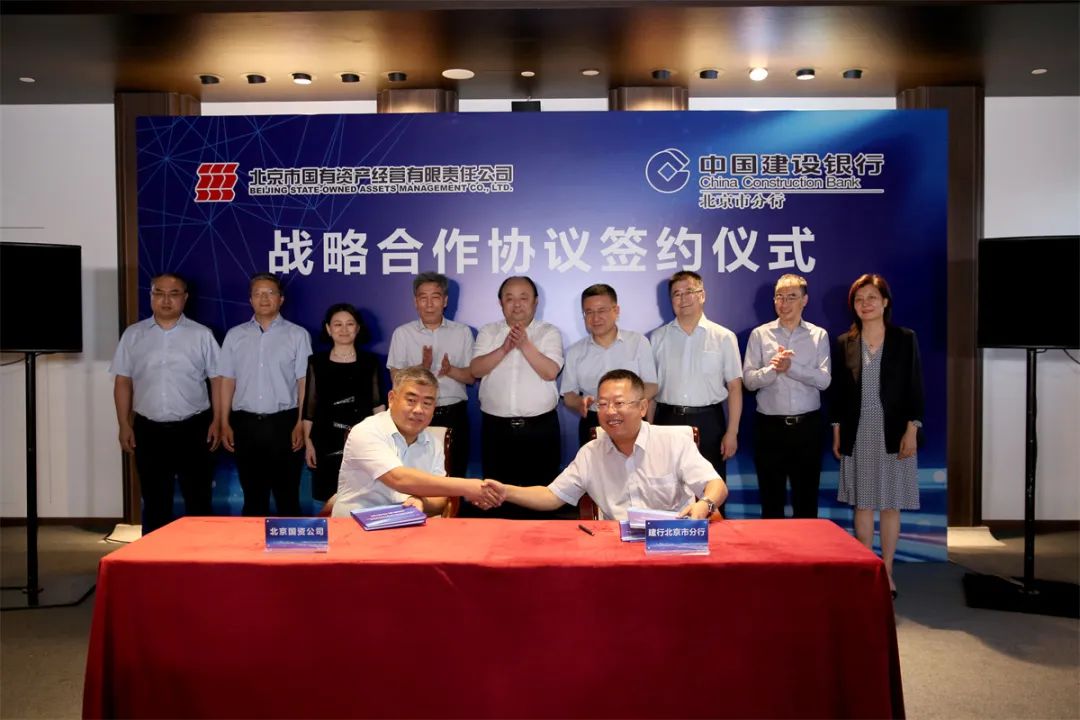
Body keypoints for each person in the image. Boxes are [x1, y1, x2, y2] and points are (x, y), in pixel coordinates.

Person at [496, 370, 727, 521]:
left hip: (669, 542)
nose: (610, 412)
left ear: (642, 408)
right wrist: (505, 492)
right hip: (616, 546)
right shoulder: (591, 453)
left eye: (619, 403)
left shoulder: (674, 442)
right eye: (603, 404)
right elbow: (552, 496)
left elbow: (716, 485)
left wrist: (705, 505)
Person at [830, 273, 924, 598]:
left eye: (871, 297)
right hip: (858, 431)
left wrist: (912, 430)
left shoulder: (904, 339)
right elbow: (839, 394)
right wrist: (837, 430)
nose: (865, 304)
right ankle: (866, 568)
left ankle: (887, 570)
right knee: (864, 504)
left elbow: (915, 387)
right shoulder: (845, 342)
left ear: (884, 301)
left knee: (890, 505)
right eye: (859, 299)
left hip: (894, 431)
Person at [109, 273, 220, 534]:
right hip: (149, 430)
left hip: (194, 428)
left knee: (198, 499)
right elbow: (123, 381)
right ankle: (155, 556)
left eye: (173, 294)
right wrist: (124, 424)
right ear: (151, 296)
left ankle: (201, 554)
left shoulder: (201, 335)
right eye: (159, 293)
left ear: (185, 298)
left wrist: (218, 420)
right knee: (155, 501)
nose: (166, 300)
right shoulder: (134, 335)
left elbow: (218, 379)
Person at [333, 366, 503, 517]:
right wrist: (467, 487)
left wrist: (420, 502)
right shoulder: (367, 431)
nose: (418, 410)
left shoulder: (434, 443)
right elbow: (398, 478)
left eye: (427, 403)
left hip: (402, 529)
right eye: (411, 400)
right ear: (391, 398)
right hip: (354, 527)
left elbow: (440, 500)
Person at [469, 276, 564, 518]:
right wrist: (504, 348)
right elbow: (476, 370)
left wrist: (524, 344)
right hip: (496, 429)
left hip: (540, 428)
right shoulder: (489, 331)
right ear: (500, 303)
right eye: (509, 298)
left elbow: (550, 371)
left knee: (542, 495)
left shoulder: (548, 332)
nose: (517, 304)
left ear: (535, 302)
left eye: (524, 297)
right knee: (497, 499)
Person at [219, 273, 312, 517]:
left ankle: (290, 542)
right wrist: (224, 422)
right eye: (258, 293)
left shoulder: (297, 335)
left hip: (285, 423)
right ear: (250, 299)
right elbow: (227, 380)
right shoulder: (235, 335)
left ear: (281, 299)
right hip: (245, 424)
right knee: (253, 497)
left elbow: (304, 381)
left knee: (287, 496)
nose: (264, 298)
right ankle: (252, 542)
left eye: (270, 293)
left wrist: (300, 422)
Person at [743, 274, 831, 518]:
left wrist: (791, 367)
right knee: (771, 501)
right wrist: (773, 369)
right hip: (769, 428)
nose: (784, 303)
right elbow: (749, 381)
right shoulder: (760, 334)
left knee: (807, 501)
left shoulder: (818, 335)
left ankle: (806, 545)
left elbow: (824, 380)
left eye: (792, 296)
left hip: (807, 427)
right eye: (779, 297)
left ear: (805, 300)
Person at [650, 270, 743, 485]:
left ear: (702, 295)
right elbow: (651, 390)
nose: (683, 299)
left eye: (689, 292)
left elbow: (735, 388)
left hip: (708, 422)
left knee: (710, 487)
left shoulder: (723, 337)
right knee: (668, 488)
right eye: (677, 294)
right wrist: (650, 428)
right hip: (667, 421)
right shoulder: (658, 338)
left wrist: (732, 432)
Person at [386, 272, 474, 478]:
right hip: (414, 414)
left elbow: (471, 378)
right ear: (415, 302)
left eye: (435, 297)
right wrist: (422, 368)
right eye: (423, 297)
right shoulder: (403, 333)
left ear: (445, 301)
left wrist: (450, 370)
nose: (429, 304)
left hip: (453, 414)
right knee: (415, 476)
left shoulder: (462, 332)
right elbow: (395, 380)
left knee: (454, 475)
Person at [302, 303, 386, 507]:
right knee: (326, 499)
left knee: (362, 499)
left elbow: (378, 405)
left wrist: (381, 440)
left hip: (361, 439)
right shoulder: (316, 362)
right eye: (337, 324)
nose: (344, 329)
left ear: (358, 328)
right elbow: (310, 407)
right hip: (325, 440)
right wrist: (308, 443)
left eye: (350, 324)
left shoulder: (370, 361)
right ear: (328, 329)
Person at [561, 283, 658, 447]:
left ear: (616, 311)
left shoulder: (638, 342)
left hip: (631, 419)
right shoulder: (575, 351)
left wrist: (627, 403)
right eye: (589, 312)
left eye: (602, 311)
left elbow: (651, 386)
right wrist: (580, 403)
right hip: (593, 420)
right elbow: (569, 395)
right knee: (593, 464)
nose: (595, 318)